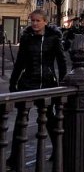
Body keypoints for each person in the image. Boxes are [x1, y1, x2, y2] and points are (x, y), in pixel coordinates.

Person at [8, 9, 67, 170]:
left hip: (48, 83)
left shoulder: (53, 39)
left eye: (38, 20)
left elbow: (61, 62)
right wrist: (13, 83)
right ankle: (14, 158)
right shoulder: (26, 38)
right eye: (32, 20)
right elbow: (20, 62)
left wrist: (62, 81)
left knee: (49, 119)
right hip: (28, 83)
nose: (34, 23)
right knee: (21, 120)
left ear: (45, 22)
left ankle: (58, 150)